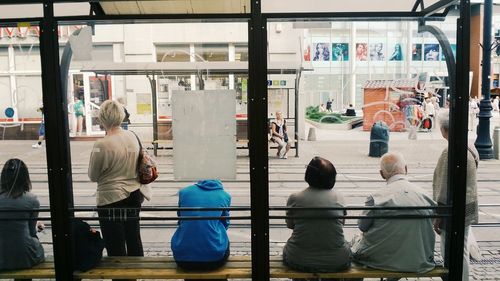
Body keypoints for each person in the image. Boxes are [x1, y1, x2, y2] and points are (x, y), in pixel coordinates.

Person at [88, 100, 150, 276]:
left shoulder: (102, 145)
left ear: (102, 118)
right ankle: (137, 275)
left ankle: (120, 278)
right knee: (133, 237)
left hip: (111, 199)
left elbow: (93, 175)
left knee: (115, 244)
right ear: (121, 115)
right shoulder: (132, 136)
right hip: (134, 194)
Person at [352, 152, 436, 277]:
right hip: (419, 260)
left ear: (381, 174)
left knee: (355, 241)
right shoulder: (426, 195)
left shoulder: (376, 198)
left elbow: (362, 227)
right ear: (406, 169)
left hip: (380, 261)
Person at [283, 157, 352, 276]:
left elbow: (290, 225)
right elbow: (341, 224)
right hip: (338, 261)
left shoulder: (295, 197)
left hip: (298, 259)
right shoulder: (339, 197)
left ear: (308, 175)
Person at [433, 110, 479, 281]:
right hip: (468, 206)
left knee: (451, 252)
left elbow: (443, 188)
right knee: (462, 249)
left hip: (451, 211)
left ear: (444, 130)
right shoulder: (471, 147)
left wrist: (438, 216)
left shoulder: (450, 152)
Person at [171, 179, 231, 280]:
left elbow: (180, 218)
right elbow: (225, 224)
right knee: (223, 239)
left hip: (183, 260)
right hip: (215, 260)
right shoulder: (225, 195)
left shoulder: (184, 192)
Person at [0, 158, 45, 270]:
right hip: (24, 256)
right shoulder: (32, 200)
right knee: (31, 244)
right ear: (25, 178)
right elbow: (31, 232)